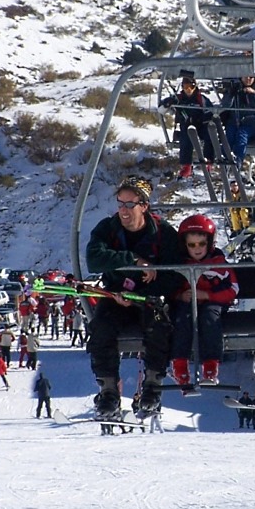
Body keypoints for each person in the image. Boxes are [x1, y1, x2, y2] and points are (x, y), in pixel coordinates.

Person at [85, 175, 182, 419]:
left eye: (130, 205)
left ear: (144, 205)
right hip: (115, 293)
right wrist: (134, 261)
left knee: (158, 326)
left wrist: (142, 293)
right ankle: (108, 389)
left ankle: (152, 384)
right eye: (120, 204)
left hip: (148, 296)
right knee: (100, 327)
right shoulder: (108, 228)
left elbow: (174, 275)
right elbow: (95, 259)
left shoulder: (163, 233)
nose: (124, 211)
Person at [170, 214, 238, 386]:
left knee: (210, 318)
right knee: (182, 318)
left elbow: (233, 289)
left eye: (202, 244)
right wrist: (179, 295)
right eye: (192, 245)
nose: (197, 249)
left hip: (212, 304)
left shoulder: (219, 264)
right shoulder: (180, 264)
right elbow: (168, 287)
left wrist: (208, 295)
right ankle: (180, 365)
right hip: (188, 304)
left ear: (210, 243)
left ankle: (210, 365)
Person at [163, 71, 216, 179]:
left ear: (194, 86)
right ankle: (186, 165)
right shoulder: (179, 99)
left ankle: (208, 160)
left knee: (209, 135)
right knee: (186, 138)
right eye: (185, 87)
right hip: (187, 126)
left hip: (200, 125)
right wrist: (168, 102)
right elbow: (162, 108)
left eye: (190, 87)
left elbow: (209, 112)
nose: (188, 90)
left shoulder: (201, 99)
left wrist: (203, 119)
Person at [223, 75, 255, 167]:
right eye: (245, 77)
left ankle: (238, 159)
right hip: (235, 120)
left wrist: (254, 93)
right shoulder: (235, 89)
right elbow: (225, 104)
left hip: (252, 123)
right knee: (229, 134)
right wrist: (231, 93)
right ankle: (225, 158)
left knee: (242, 134)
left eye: (251, 77)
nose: (248, 79)